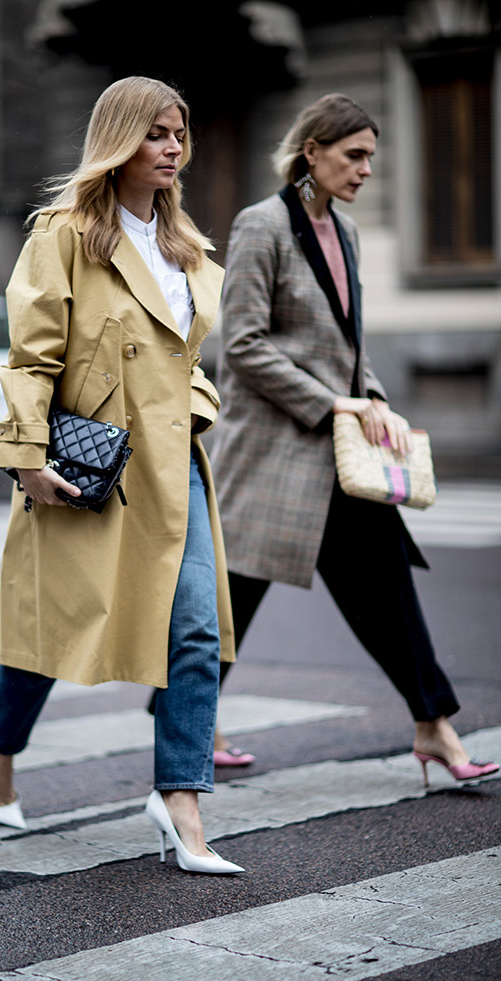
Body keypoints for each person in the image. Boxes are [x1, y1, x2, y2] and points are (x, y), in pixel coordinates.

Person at [0, 76, 243, 875]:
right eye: (157, 133)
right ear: (120, 141)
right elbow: (32, 356)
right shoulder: (62, 235)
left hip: (172, 465)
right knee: (52, 631)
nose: (172, 148)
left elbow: (185, 357)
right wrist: (25, 459)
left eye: (179, 134)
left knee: (194, 631)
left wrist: (193, 404)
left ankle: (182, 802)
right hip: (90, 464)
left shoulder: (185, 244)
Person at [207, 93, 498, 787]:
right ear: (312, 152)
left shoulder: (346, 232)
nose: (366, 169)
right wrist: (332, 402)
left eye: (371, 156)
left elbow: (346, 344)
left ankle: (433, 725)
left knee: (386, 585)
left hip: (342, 456)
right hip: (272, 453)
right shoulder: (261, 226)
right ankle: (185, 717)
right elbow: (241, 346)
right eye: (354, 155)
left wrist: (373, 400)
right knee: (230, 600)